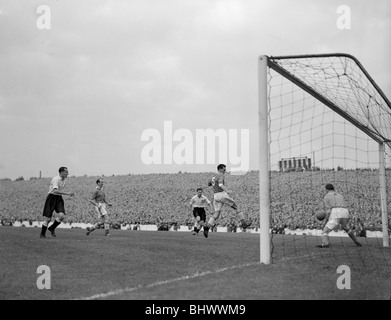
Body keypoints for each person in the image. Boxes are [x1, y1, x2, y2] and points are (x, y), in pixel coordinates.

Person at [203, 164, 251, 238]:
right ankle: (243, 223)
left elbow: (209, 183)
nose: (225, 171)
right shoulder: (221, 175)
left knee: (216, 214)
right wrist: (227, 190)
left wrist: (213, 185)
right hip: (222, 194)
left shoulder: (213, 176)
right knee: (236, 207)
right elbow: (220, 185)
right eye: (224, 169)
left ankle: (207, 227)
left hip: (215, 196)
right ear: (220, 169)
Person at [317, 183, 362, 248]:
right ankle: (356, 241)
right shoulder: (340, 195)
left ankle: (325, 244)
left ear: (326, 189)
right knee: (346, 228)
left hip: (336, 212)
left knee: (324, 232)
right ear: (333, 188)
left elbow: (329, 211)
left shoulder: (326, 196)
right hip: (345, 211)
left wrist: (326, 221)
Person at [40, 167, 74, 238]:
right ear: (61, 172)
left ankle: (52, 228)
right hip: (51, 198)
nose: (68, 173)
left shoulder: (64, 180)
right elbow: (55, 191)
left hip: (58, 198)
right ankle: (42, 234)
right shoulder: (56, 179)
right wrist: (68, 193)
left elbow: (59, 192)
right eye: (66, 172)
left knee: (62, 216)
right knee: (48, 219)